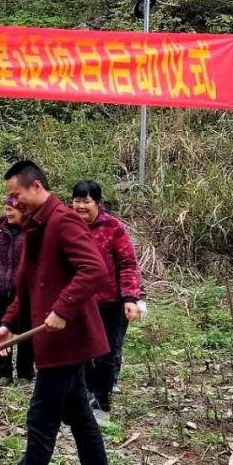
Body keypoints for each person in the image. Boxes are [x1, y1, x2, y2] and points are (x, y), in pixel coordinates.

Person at [0, 161, 118, 465]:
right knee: (79, 414)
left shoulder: (62, 221)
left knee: (42, 417)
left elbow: (94, 270)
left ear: (36, 187)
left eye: (16, 194)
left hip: (67, 340)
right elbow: (25, 287)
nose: (12, 201)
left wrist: (61, 309)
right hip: (54, 341)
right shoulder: (34, 227)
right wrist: (8, 323)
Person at [71, 180, 143, 420]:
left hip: (110, 302)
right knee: (81, 352)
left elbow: (128, 264)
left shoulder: (113, 227)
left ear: (97, 203)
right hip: (79, 302)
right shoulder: (67, 227)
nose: (81, 206)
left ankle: (102, 403)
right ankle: (86, 396)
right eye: (77, 201)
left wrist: (130, 298)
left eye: (86, 201)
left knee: (106, 354)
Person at [0, 198, 33, 385]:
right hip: (2, 289)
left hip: (25, 292)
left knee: (26, 333)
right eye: (6, 209)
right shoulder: (0, 229)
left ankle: (25, 373)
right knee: (0, 331)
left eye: (12, 210)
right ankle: (4, 372)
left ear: (23, 210)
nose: (8, 213)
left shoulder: (31, 231)